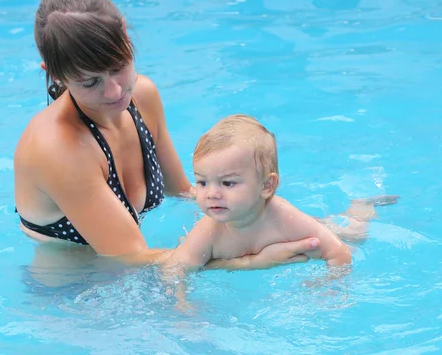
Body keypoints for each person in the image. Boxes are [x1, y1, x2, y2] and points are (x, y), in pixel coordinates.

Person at [14, 0, 320, 271]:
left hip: (148, 265)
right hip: (71, 295)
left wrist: (282, 223)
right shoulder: (57, 150)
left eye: (119, 67)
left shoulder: (143, 96)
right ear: (55, 74)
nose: (116, 91)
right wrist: (254, 260)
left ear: (125, 33)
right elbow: (131, 258)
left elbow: (184, 194)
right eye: (90, 82)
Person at [164, 115, 398, 305]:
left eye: (227, 183)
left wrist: (330, 286)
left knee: (356, 234)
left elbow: (339, 253)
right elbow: (175, 268)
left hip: (301, 226)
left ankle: (361, 206)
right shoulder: (210, 230)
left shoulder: (286, 219)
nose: (211, 193)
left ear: (267, 186)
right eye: (203, 182)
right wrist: (181, 305)